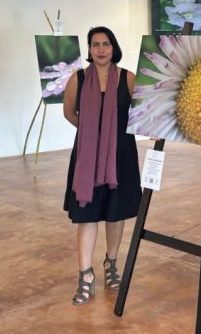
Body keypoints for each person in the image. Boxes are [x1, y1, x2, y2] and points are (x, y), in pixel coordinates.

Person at [62, 26, 141, 306]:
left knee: (114, 213)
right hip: (87, 157)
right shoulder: (79, 79)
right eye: (95, 44)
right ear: (89, 48)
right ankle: (85, 275)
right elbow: (69, 112)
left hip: (120, 156)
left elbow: (143, 111)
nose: (101, 49)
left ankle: (111, 264)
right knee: (87, 215)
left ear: (114, 47)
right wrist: (91, 133)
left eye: (106, 44)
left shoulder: (128, 78)